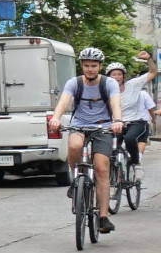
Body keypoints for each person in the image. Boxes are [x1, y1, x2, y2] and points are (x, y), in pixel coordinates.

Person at [47, 47, 122, 233]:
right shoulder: (74, 83)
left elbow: (115, 104)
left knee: (101, 168)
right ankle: (76, 179)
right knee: (74, 145)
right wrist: (56, 117)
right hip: (79, 125)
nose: (90, 69)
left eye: (94, 66)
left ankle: (103, 217)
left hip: (103, 126)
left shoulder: (109, 83)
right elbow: (64, 102)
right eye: (87, 65)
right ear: (81, 66)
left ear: (100, 66)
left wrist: (118, 121)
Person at [111, 62, 151, 171]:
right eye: (113, 74)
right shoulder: (106, 89)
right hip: (116, 124)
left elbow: (152, 73)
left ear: (123, 76)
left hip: (136, 122)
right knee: (109, 146)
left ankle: (135, 162)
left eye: (119, 74)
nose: (117, 77)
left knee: (130, 139)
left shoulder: (133, 84)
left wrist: (149, 59)